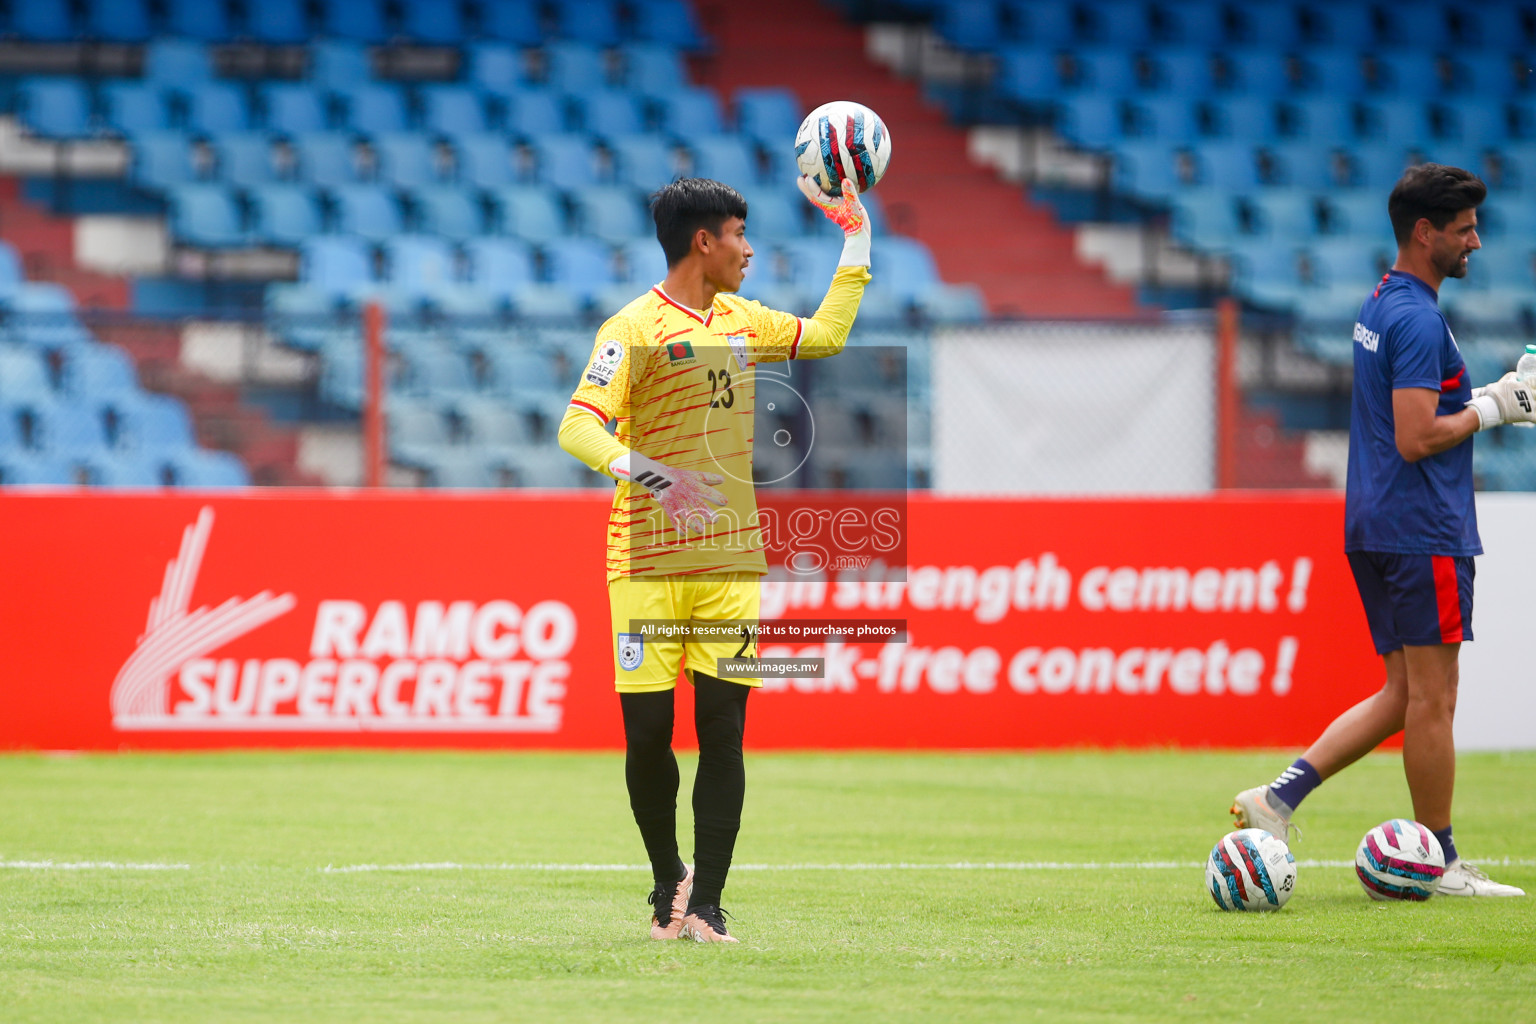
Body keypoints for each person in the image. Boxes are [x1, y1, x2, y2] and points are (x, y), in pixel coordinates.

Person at [557, 175, 872, 940]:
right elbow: (579, 425)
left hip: (732, 562)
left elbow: (824, 336)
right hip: (645, 565)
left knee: (723, 734)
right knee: (648, 736)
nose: (750, 249)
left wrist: (856, 235)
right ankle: (668, 880)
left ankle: (708, 905)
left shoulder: (742, 318)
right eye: (739, 234)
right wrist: (654, 475)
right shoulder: (630, 328)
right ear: (705, 241)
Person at [1230, 163, 1536, 896]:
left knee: (1403, 692)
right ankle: (1443, 861)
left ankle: (1279, 798)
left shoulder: (1385, 301)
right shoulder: (1419, 318)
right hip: (1420, 527)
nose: (1478, 242)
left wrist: (1492, 394)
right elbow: (1417, 435)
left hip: (1377, 521)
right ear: (1425, 232)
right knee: (1435, 700)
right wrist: (1500, 406)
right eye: (1465, 229)